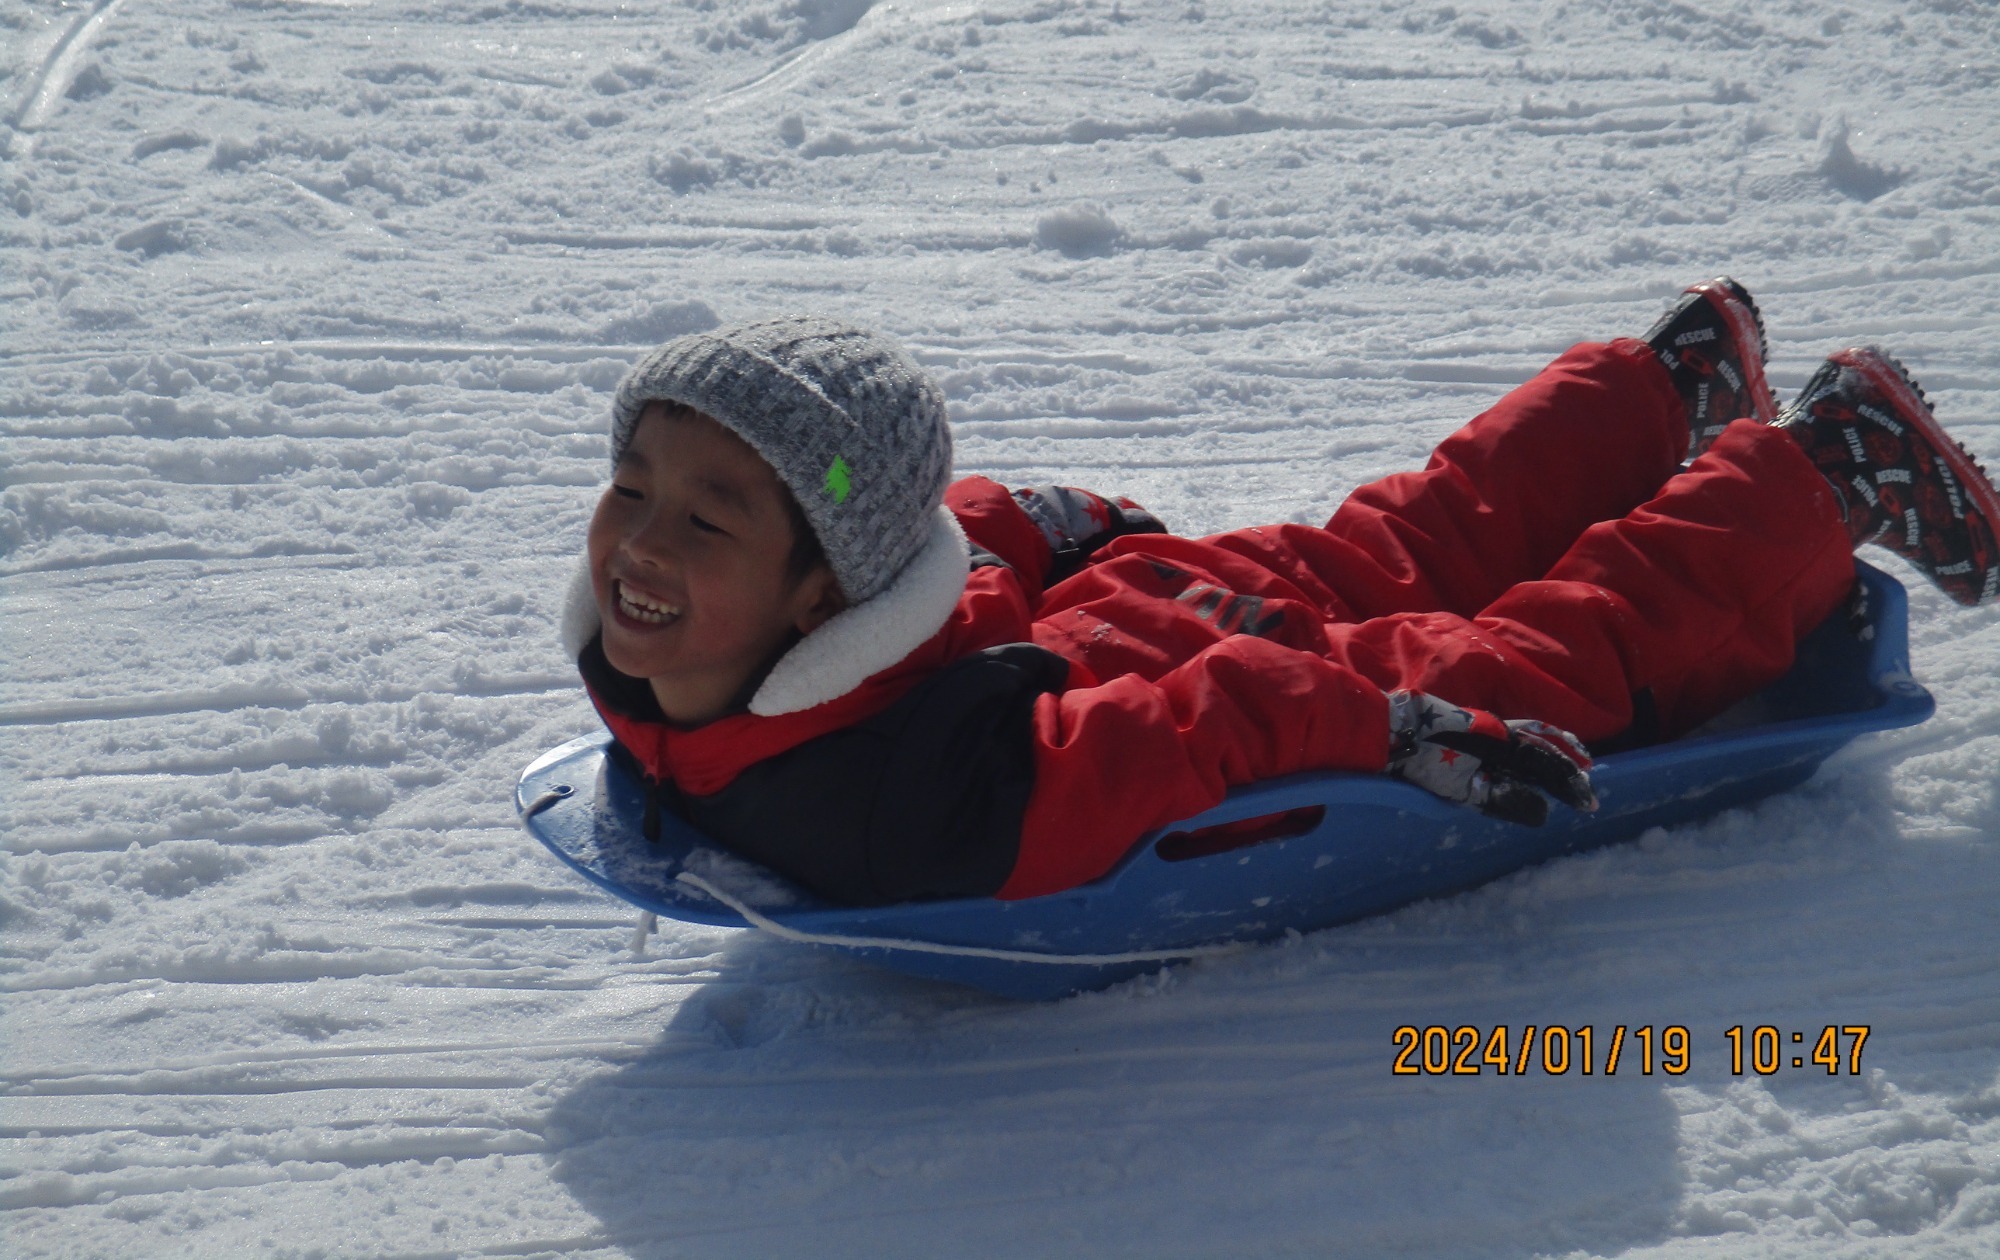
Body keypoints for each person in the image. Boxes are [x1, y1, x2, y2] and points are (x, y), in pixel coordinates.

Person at [562, 282, 1998, 906]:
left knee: (1553, 660)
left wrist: (1389, 736)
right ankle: (1662, 383)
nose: (639, 547)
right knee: (1413, 535)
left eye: (706, 519)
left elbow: (1191, 731)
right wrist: (1041, 531)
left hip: (1225, 674)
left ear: (824, 596)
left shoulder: (904, 807)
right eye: (634, 489)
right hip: (1130, 609)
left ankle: (1828, 464)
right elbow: (960, 543)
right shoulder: (724, 652)